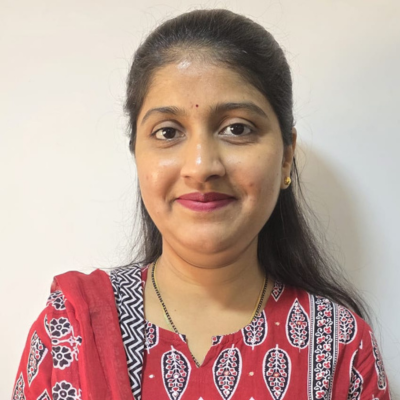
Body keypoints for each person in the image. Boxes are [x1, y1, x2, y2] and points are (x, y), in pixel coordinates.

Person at [12, 9, 391, 400]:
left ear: (285, 156)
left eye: (237, 128)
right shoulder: (71, 331)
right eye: (168, 132)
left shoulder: (340, 347)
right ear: (137, 154)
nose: (201, 166)